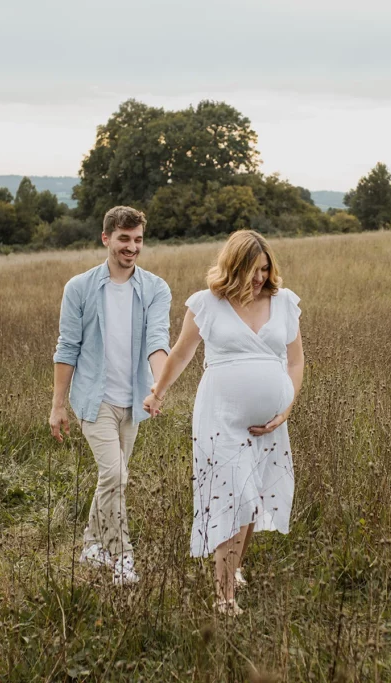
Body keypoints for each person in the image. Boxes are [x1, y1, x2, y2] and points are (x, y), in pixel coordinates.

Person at [143, 230, 304, 615]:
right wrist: (158, 392)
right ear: (234, 266)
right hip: (220, 418)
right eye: (252, 270)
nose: (260, 277)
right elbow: (181, 354)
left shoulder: (283, 303)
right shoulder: (207, 304)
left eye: (265, 269)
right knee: (235, 498)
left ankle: (234, 569)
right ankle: (225, 597)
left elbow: (295, 361)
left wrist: (286, 409)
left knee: (253, 500)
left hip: (270, 424)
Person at [49, 206, 171, 586]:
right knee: (116, 474)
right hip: (93, 399)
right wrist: (57, 406)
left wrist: (158, 386)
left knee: (110, 479)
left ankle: (90, 545)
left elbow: (157, 340)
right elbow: (67, 347)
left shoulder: (155, 288)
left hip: (133, 400)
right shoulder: (80, 288)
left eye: (137, 240)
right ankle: (122, 558)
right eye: (124, 239)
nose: (131, 247)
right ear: (106, 239)